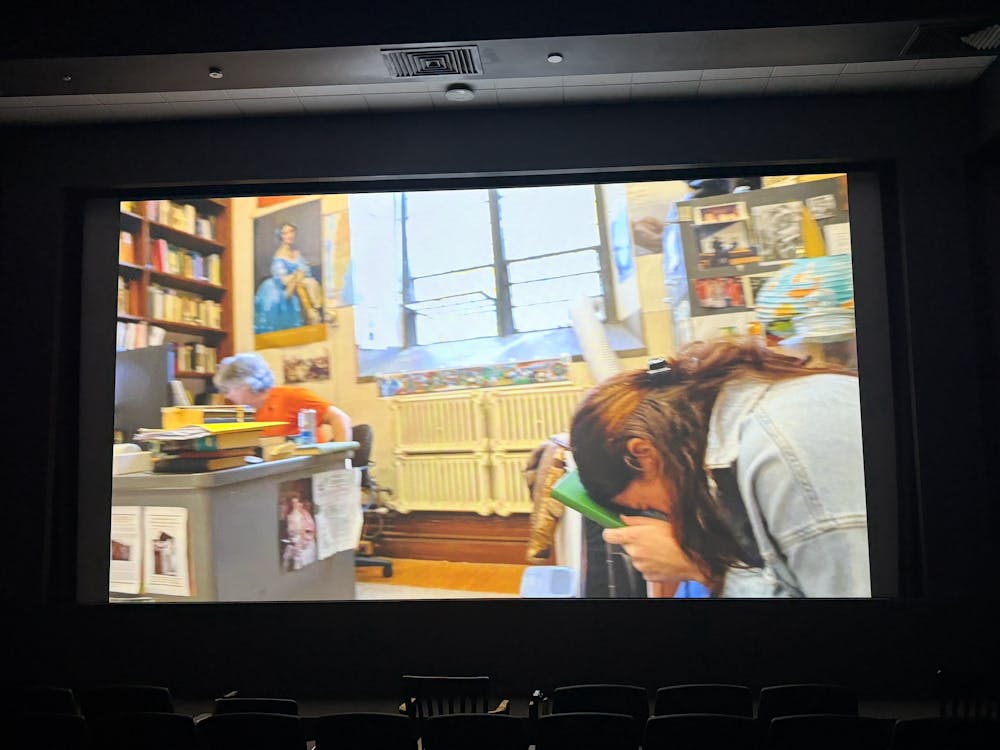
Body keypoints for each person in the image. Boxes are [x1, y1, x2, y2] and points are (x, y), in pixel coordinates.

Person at [569, 338, 870, 598]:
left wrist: (702, 569)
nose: (668, 520)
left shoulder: (782, 456)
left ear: (642, 454)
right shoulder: (740, 406)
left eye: (648, 506)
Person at [214, 352, 352, 442]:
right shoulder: (247, 414)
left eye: (229, 389)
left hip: (307, 476)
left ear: (246, 384)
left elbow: (340, 418)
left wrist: (341, 462)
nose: (227, 395)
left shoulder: (292, 397)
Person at [254, 222, 323, 333]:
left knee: (310, 283)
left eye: (291, 232)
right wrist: (295, 277)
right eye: (285, 233)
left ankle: (314, 312)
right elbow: (281, 277)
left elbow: (304, 268)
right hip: (283, 285)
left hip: (299, 279)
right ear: (281, 236)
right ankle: (311, 314)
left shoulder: (296, 253)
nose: (289, 235)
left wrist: (299, 274)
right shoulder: (279, 255)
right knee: (296, 286)